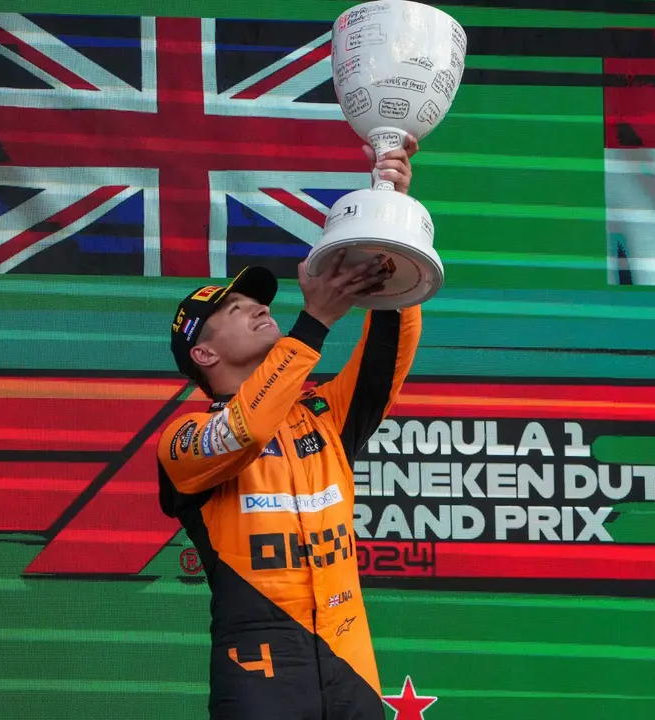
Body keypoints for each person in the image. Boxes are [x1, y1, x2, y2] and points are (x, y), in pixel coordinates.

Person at [157, 140, 422, 719]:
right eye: (234, 309)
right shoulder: (182, 441)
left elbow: (389, 351)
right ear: (202, 352)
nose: (255, 307)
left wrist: (390, 228)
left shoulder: (325, 413)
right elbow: (246, 428)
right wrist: (316, 321)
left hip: (351, 664)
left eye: (255, 301)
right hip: (260, 672)